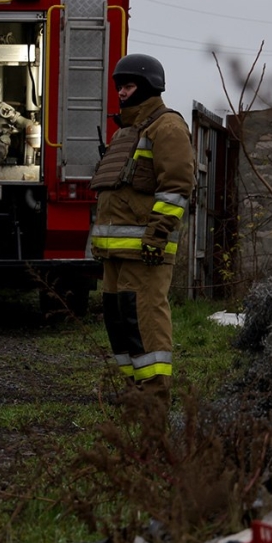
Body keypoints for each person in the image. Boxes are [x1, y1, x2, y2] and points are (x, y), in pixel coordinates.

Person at [89, 53, 195, 409]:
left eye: (129, 85)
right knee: (121, 323)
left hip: (145, 251)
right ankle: (135, 391)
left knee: (145, 320)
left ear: (148, 86)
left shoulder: (167, 128)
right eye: (119, 86)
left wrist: (158, 234)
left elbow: (177, 187)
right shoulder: (127, 132)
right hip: (116, 254)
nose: (121, 92)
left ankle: (154, 398)